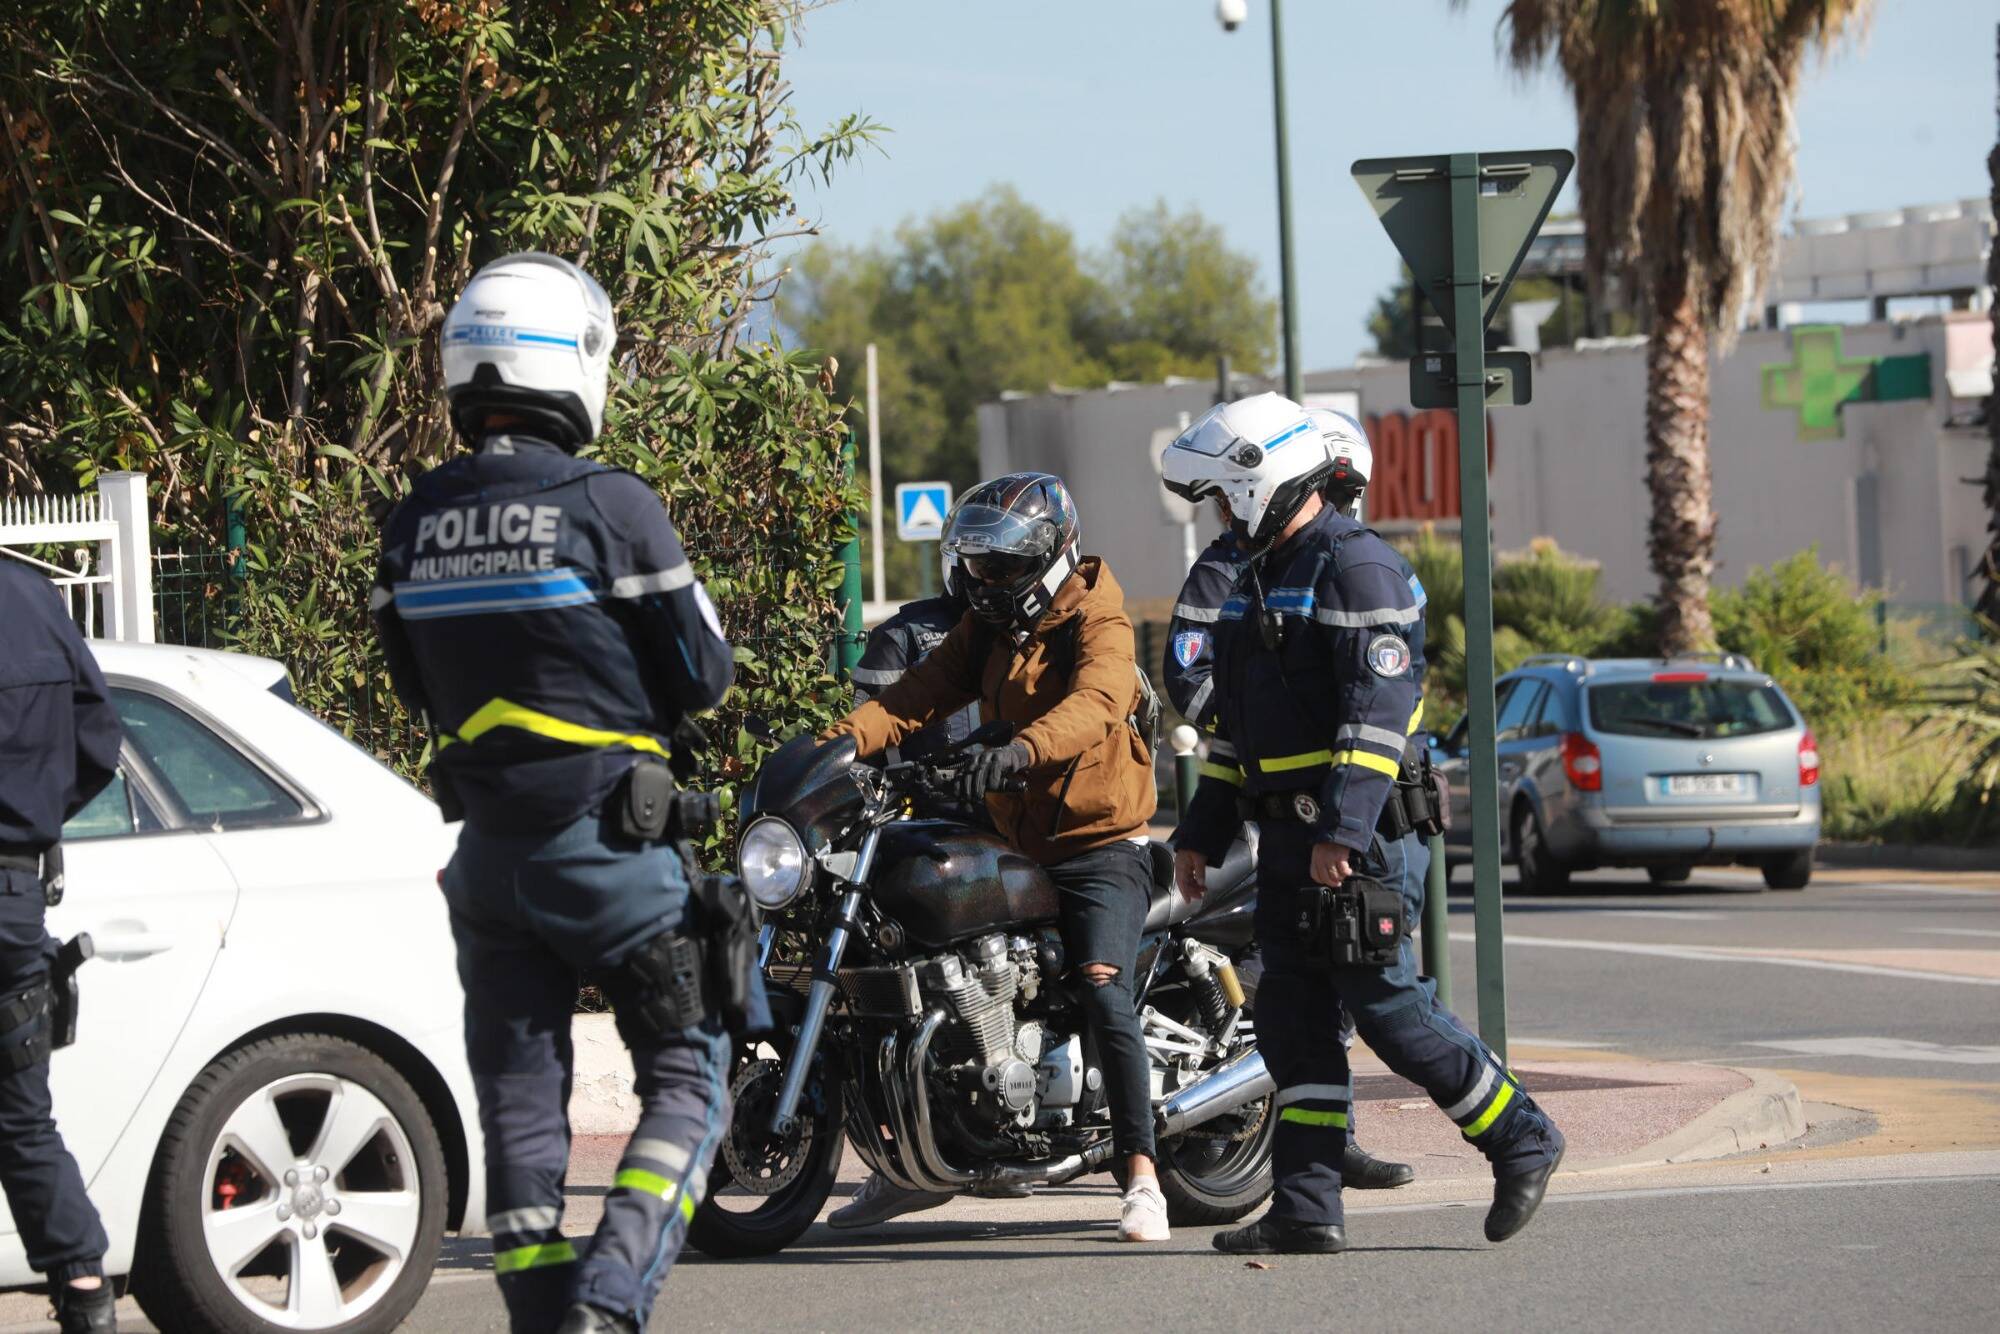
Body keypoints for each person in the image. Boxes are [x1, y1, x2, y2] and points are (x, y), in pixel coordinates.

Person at [372, 252, 752, 1334]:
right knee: (690, 1071)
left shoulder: (412, 522)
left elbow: (412, 678)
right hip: (610, 848)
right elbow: (703, 675)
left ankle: (543, 1317)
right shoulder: (610, 505)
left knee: (517, 1100)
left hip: (488, 857)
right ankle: (608, 1299)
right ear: (574, 358)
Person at [1163, 393, 1566, 1255]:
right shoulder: (1259, 570)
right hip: (1288, 839)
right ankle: (1307, 1209)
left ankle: (1520, 1134)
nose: (1221, 517)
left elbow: (1377, 715)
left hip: (1363, 834)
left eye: (1227, 497)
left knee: (1388, 1007)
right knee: (1292, 1019)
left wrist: (1342, 835)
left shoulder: (1357, 568)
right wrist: (1199, 833)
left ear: (1266, 478)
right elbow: (1237, 733)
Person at [819, 472, 1171, 1242]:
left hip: (1098, 843)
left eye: (1001, 567)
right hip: (1017, 840)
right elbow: (916, 695)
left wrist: (1018, 752)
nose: (985, 582)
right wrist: (831, 748)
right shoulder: (988, 627)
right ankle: (915, 1160)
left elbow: (1099, 701)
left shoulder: (1098, 619)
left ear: (1048, 559)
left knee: (1102, 987)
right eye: (976, 566)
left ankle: (1142, 1175)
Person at [1160, 407, 1415, 1194]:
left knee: (1353, 996)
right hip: (1288, 810)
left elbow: (1380, 688)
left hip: (1367, 809)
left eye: (1347, 490)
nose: (1340, 502)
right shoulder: (1232, 564)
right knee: (1307, 989)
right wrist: (1259, 743)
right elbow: (1191, 669)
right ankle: (1307, 1159)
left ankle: (1323, 1155)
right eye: (1333, 487)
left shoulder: (1353, 562)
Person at [0, 562, 122, 1333]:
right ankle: (83, 1287)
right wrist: (35, 816)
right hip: (11, 898)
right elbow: (98, 741)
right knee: (22, 1118)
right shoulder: (33, 598)